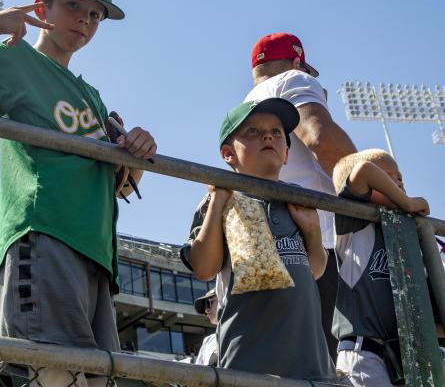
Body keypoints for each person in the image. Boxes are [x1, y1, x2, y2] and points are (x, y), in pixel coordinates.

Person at [0, 0, 157, 387]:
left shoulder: (90, 94)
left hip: (95, 250)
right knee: (53, 377)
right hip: (43, 234)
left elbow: (122, 185)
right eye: (74, 5)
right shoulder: (13, 57)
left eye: (96, 14)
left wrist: (136, 151)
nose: (85, 19)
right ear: (42, 9)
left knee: (93, 379)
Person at [180, 98, 336, 380]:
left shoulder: (297, 199)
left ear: (287, 152)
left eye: (277, 132)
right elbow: (204, 267)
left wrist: (312, 230)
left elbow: (315, 270)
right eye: (252, 131)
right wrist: (218, 200)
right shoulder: (219, 198)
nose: (268, 136)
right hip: (249, 363)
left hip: (311, 364)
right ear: (228, 153)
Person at [245, 32, 357, 359]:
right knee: (333, 360)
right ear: (296, 62)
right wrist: (375, 188)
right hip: (318, 240)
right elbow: (320, 136)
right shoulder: (292, 79)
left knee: (293, 360)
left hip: (268, 240)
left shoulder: (243, 109)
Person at [332, 149, 430, 386]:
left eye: (400, 177)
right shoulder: (354, 223)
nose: (398, 182)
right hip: (363, 351)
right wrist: (408, 202)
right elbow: (364, 171)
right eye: (388, 177)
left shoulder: (404, 237)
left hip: (406, 359)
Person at [193, 289, 218, 366]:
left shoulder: (245, 330)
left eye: (209, 303)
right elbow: (199, 373)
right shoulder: (208, 341)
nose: (206, 310)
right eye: (204, 307)